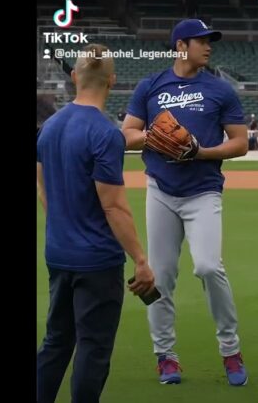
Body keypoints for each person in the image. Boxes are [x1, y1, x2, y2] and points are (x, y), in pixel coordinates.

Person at [121, 19, 250, 386]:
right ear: (181, 46)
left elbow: (240, 142)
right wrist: (154, 138)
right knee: (160, 276)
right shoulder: (151, 86)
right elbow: (127, 134)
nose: (208, 47)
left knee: (209, 267)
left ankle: (230, 349)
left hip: (203, 190)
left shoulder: (219, 90)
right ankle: (166, 356)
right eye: (202, 41)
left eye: (210, 41)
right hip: (161, 189)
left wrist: (201, 151)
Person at [36, 43, 157, 403]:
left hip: (58, 254)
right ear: (113, 82)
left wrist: (59, 221)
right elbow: (114, 207)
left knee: (56, 342)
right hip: (97, 261)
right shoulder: (105, 134)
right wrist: (139, 259)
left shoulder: (49, 127)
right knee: (93, 347)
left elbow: (41, 184)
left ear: (75, 77)